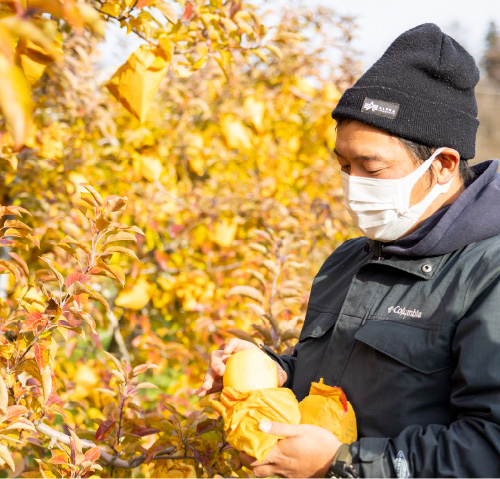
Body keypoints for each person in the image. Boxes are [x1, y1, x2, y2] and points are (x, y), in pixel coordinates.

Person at [197, 23, 500, 478]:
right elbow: (347, 377)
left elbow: (488, 447)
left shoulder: (488, 275)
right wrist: (275, 372)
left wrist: (340, 466)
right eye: (344, 165)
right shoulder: (349, 260)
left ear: (442, 166)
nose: (353, 185)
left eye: (372, 167)